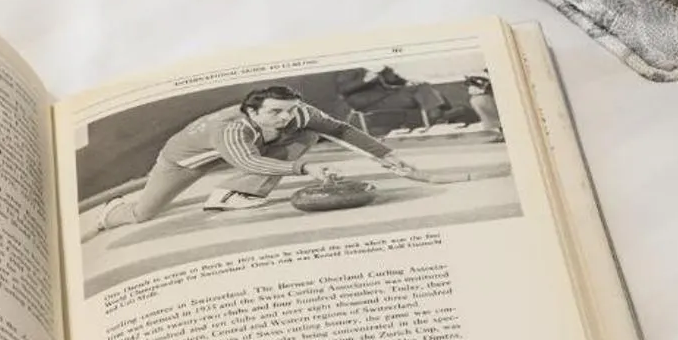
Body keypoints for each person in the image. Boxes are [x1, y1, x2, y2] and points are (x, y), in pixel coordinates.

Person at [96, 85, 434, 232]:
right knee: (144, 214)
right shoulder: (230, 128)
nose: (284, 118)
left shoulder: (299, 114)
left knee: (309, 133)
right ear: (251, 111)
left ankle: (235, 195)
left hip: (245, 153)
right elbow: (250, 162)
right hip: (185, 161)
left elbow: (342, 130)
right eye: (274, 112)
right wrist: (305, 166)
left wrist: (389, 157)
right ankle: (112, 212)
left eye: (289, 111)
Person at [464, 73, 504, 141]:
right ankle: (502, 134)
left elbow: (483, 89)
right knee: (491, 119)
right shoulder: (476, 87)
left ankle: (503, 134)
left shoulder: (482, 87)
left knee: (494, 118)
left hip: (484, 101)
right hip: (481, 101)